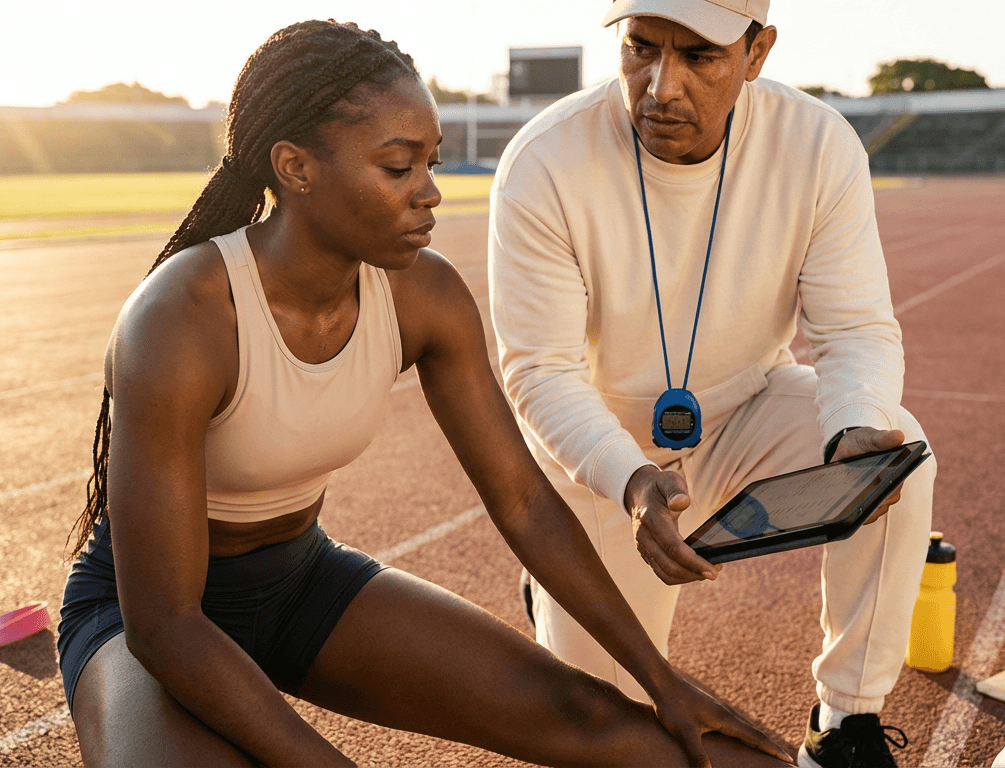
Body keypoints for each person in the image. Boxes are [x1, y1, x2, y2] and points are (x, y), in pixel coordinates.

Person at [56, 19, 797, 768]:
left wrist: (659, 679)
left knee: (614, 725)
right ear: (296, 167)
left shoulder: (425, 295)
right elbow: (168, 625)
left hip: (300, 586)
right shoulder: (181, 318)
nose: (430, 194)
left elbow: (523, 500)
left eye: (431, 164)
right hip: (143, 619)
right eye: (398, 168)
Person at [488, 2, 938, 767]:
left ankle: (846, 723)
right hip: (602, 459)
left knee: (901, 449)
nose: (660, 87)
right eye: (640, 49)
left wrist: (857, 427)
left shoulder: (815, 144)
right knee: (613, 733)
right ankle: (551, 595)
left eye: (698, 56)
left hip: (747, 412)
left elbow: (855, 329)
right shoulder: (545, 161)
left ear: (756, 52)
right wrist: (630, 480)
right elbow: (541, 369)